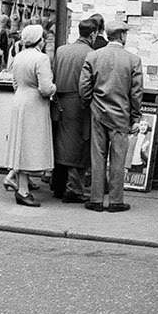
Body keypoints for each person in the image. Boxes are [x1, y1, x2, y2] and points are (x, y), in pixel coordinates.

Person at [79, 20, 143, 212]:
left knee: (97, 157)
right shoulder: (133, 60)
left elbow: (84, 87)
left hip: (98, 113)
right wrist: (135, 116)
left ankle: (96, 199)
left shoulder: (93, 56)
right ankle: (116, 201)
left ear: (107, 36)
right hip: (121, 115)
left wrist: (91, 103)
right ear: (122, 36)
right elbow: (136, 93)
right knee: (118, 159)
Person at [4, 24, 56, 207]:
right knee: (31, 146)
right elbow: (45, 88)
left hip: (20, 101)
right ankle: (23, 191)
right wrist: (54, 89)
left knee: (21, 144)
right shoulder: (41, 58)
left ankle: (21, 186)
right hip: (35, 104)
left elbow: (15, 83)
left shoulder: (18, 57)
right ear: (39, 41)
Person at [51, 18, 97, 203]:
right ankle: (74, 189)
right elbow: (89, 83)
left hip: (59, 102)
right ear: (93, 34)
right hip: (79, 103)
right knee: (78, 146)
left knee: (61, 144)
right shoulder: (91, 54)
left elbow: (53, 74)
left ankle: (58, 185)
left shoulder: (61, 50)